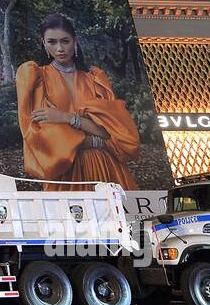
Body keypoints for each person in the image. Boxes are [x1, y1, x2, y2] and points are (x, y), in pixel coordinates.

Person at [15, 13, 141, 191]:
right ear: (43, 44)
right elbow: (39, 137)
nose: (60, 48)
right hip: (65, 171)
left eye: (65, 41)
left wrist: (65, 118)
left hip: (106, 168)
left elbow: (110, 132)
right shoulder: (35, 78)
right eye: (52, 42)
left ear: (75, 41)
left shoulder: (95, 78)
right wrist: (92, 136)